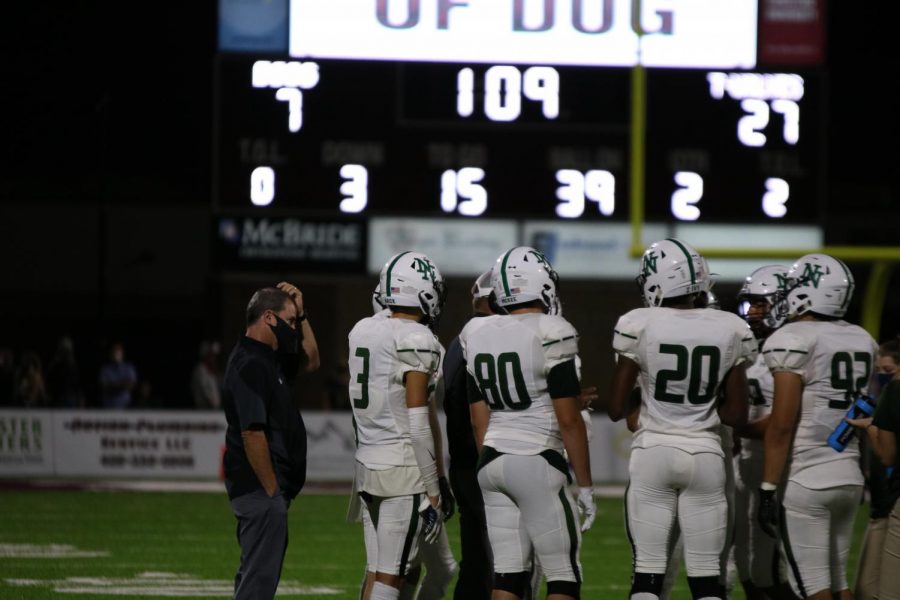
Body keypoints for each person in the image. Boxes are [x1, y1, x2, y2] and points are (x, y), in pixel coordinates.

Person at [609, 238, 754, 600]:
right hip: (706, 454)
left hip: (653, 452)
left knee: (648, 576)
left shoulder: (638, 323)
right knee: (707, 580)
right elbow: (737, 413)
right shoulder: (729, 327)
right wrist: (701, 410)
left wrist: (641, 404)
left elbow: (614, 408)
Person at [463, 246, 596, 600]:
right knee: (563, 576)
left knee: (507, 577)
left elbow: (479, 419)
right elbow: (569, 421)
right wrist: (585, 485)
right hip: (536, 457)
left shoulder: (476, 334)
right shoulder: (553, 330)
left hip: (491, 461)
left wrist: (492, 459)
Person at [757, 253, 877, 600]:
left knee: (813, 587)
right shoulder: (862, 339)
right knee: (840, 584)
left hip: (807, 476)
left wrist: (767, 487)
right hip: (849, 474)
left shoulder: (793, 337)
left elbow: (782, 425)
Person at [348, 251, 448, 600]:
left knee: (379, 569)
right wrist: (434, 489)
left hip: (367, 463)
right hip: (403, 469)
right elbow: (418, 420)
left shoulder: (363, 329)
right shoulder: (417, 338)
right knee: (392, 575)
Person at [222, 281, 320, 600]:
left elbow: (312, 359)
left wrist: (302, 314)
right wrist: (272, 492)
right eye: (290, 321)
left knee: (258, 576)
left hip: (265, 491)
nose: (294, 328)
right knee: (258, 584)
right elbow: (252, 433)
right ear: (268, 317)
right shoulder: (250, 363)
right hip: (260, 490)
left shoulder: (268, 358)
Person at [731, 265, 795, 600]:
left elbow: (783, 422)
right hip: (746, 463)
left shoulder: (792, 347)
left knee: (773, 567)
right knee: (744, 557)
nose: (753, 311)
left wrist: (737, 427)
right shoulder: (747, 345)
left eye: (761, 303)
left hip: (779, 466)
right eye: (750, 304)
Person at [442, 269, 494, 600]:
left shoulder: (457, 339)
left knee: (475, 563)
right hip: (482, 459)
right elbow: (480, 414)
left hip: (462, 463)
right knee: (505, 565)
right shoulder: (486, 336)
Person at [849, 336, 900, 600]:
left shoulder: (894, 393)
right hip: (883, 508)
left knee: (878, 592)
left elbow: (888, 456)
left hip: (891, 508)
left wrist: (870, 427)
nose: (882, 377)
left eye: (888, 371)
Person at [46, 336, 84, 408]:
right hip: (58, 398)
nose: (66, 352)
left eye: (68, 350)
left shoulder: (73, 366)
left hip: (71, 398)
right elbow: (49, 381)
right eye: (64, 349)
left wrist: (80, 399)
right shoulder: (55, 365)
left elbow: (77, 383)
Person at [98, 342, 137, 409]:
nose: (115, 354)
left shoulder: (129, 368)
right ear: (110, 354)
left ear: (122, 353)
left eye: (118, 352)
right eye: (113, 352)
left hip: (125, 405)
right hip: (108, 406)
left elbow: (131, 386)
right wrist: (123, 384)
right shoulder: (105, 369)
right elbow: (104, 387)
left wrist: (113, 385)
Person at [191, 340, 222, 409]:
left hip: (214, 410)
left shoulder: (215, 373)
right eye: (211, 355)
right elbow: (204, 391)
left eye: (214, 356)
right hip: (203, 410)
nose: (213, 358)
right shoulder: (200, 370)